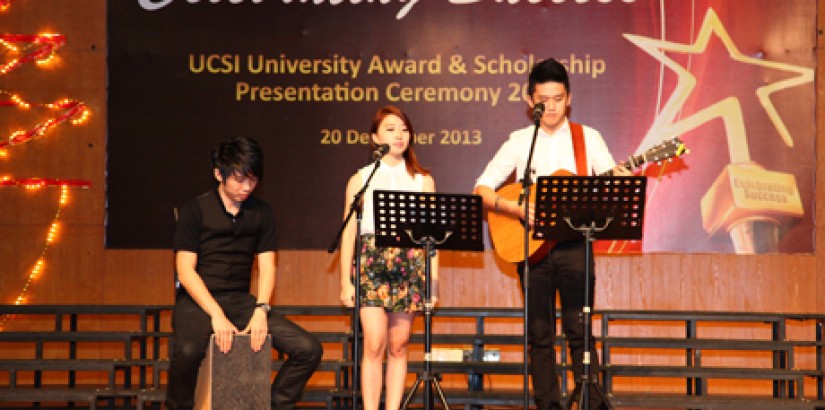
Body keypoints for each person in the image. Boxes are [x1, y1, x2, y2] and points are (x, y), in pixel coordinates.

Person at [473, 58, 630, 410]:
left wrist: (619, 180)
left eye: (558, 98)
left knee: (579, 331)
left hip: (575, 245)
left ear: (569, 97)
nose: (551, 107)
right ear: (530, 101)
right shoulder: (519, 141)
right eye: (543, 99)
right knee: (539, 336)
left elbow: (610, 187)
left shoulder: (587, 138)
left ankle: (591, 404)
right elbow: (481, 188)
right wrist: (514, 208)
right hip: (531, 250)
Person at [166, 136, 323, 410]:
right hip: (198, 300)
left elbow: (267, 266)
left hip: (241, 300)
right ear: (219, 174)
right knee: (188, 352)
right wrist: (216, 314)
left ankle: (271, 405)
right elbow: (185, 270)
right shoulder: (196, 210)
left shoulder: (262, 213)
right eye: (239, 179)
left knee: (308, 348)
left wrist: (261, 309)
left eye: (252, 180)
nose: (246, 187)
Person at [339, 105, 438, 410]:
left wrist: (432, 283)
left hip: (409, 263)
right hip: (372, 263)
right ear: (374, 137)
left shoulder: (423, 181)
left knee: (399, 344)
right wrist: (346, 281)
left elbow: (432, 239)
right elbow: (348, 234)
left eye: (404, 129)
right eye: (391, 129)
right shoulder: (360, 179)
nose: (399, 135)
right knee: (374, 342)